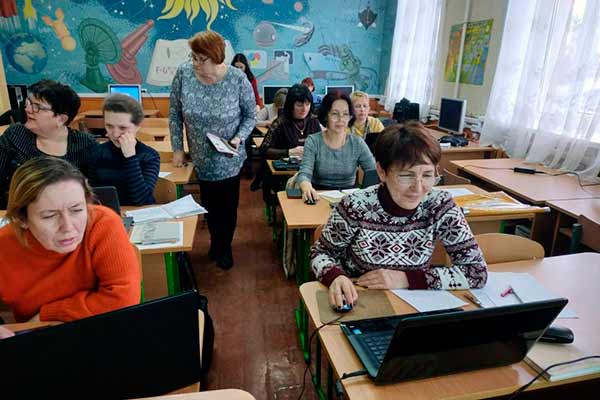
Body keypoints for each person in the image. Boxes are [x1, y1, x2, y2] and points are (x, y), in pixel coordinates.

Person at [310, 122, 488, 309]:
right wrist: (335, 277)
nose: (418, 188)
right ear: (381, 172)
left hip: (416, 302)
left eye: (427, 175)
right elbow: (320, 253)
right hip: (362, 298)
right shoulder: (355, 206)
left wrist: (405, 279)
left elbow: (476, 271)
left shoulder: (440, 205)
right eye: (406, 176)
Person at [0, 157, 141, 323]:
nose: (68, 227)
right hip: (37, 335)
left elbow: (124, 299)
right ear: (21, 219)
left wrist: (48, 315)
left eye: (77, 210)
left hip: (103, 328)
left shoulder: (103, 223)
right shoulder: (4, 246)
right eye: (49, 216)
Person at [170, 31, 256, 269]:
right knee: (208, 204)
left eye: (202, 59)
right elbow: (174, 114)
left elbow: (250, 116)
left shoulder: (237, 79)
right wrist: (177, 148)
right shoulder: (184, 74)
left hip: (229, 157)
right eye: (193, 57)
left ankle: (224, 246)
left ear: (217, 57)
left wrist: (239, 137)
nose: (196, 63)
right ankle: (216, 241)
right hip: (201, 157)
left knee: (227, 207)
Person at [0, 79, 97, 208]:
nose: (28, 109)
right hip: (18, 210)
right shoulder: (15, 135)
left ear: (61, 119)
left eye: (37, 107)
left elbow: (94, 193)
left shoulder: (85, 144)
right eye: (29, 102)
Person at [297, 92, 376, 202]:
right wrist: (306, 187)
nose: (341, 119)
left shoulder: (357, 143)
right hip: (318, 196)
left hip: (349, 198)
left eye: (345, 114)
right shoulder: (313, 141)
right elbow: (304, 173)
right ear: (326, 116)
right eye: (335, 114)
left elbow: (373, 171)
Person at [87, 94, 160, 206]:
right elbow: (92, 197)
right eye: (109, 126)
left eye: (122, 128)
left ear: (138, 126)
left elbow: (141, 200)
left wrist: (130, 157)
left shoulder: (149, 156)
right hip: (108, 213)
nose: (115, 134)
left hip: (140, 213)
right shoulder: (97, 153)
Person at [259, 84, 320, 160]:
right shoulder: (280, 123)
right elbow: (263, 151)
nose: (304, 109)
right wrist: (289, 152)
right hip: (286, 165)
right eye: (299, 105)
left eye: (307, 104)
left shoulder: (313, 121)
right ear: (291, 105)